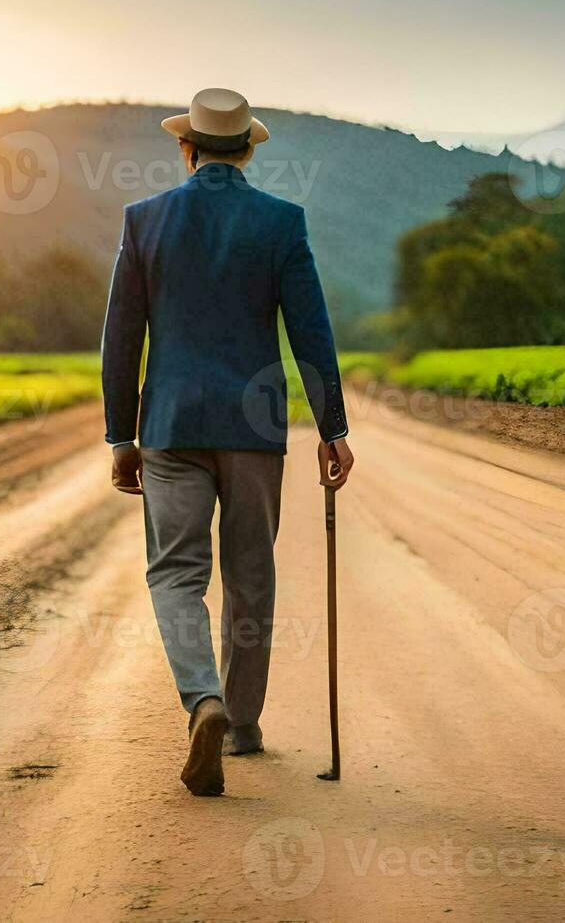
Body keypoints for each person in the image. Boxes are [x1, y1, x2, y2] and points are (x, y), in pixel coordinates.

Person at [100, 88, 354, 797]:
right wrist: (332, 426)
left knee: (176, 574)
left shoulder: (143, 221)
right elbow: (312, 331)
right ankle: (240, 724)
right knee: (250, 578)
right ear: (246, 150)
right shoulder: (282, 223)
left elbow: (121, 338)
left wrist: (121, 434)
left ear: (187, 149)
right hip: (254, 428)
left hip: (172, 427)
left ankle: (202, 699)